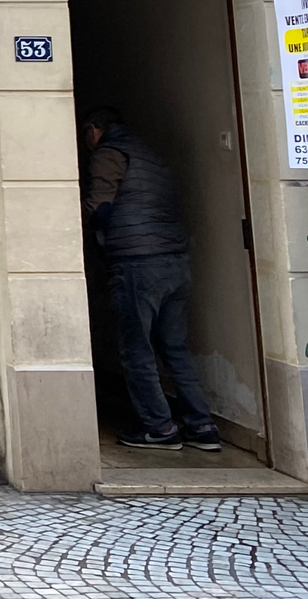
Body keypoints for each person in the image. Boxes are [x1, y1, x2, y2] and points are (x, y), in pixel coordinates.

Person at [80, 106, 221, 452]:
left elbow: (100, 208)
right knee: (174, 348)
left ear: (95, 130)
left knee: (136, 349)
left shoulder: (110, 154)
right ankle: (201, 425)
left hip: (136, 263)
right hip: (175, 261)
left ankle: (159, 428)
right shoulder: (152, 156)